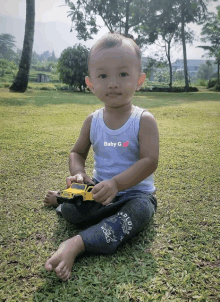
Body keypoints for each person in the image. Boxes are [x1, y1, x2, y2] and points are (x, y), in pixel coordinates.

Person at [44, 32, 159, 282]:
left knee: (139, 212)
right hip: (97, 192)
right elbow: (77, 152)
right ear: (91, 83)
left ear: (139, 80)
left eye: (123, 74)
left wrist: (117, 183)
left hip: (136, 195)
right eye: (103, 76)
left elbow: (149, 161)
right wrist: (79, 173)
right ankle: (63, 201)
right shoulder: (92, 121)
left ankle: (77, 244)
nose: (113, 83)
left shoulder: (144, 120)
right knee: (74, 211)